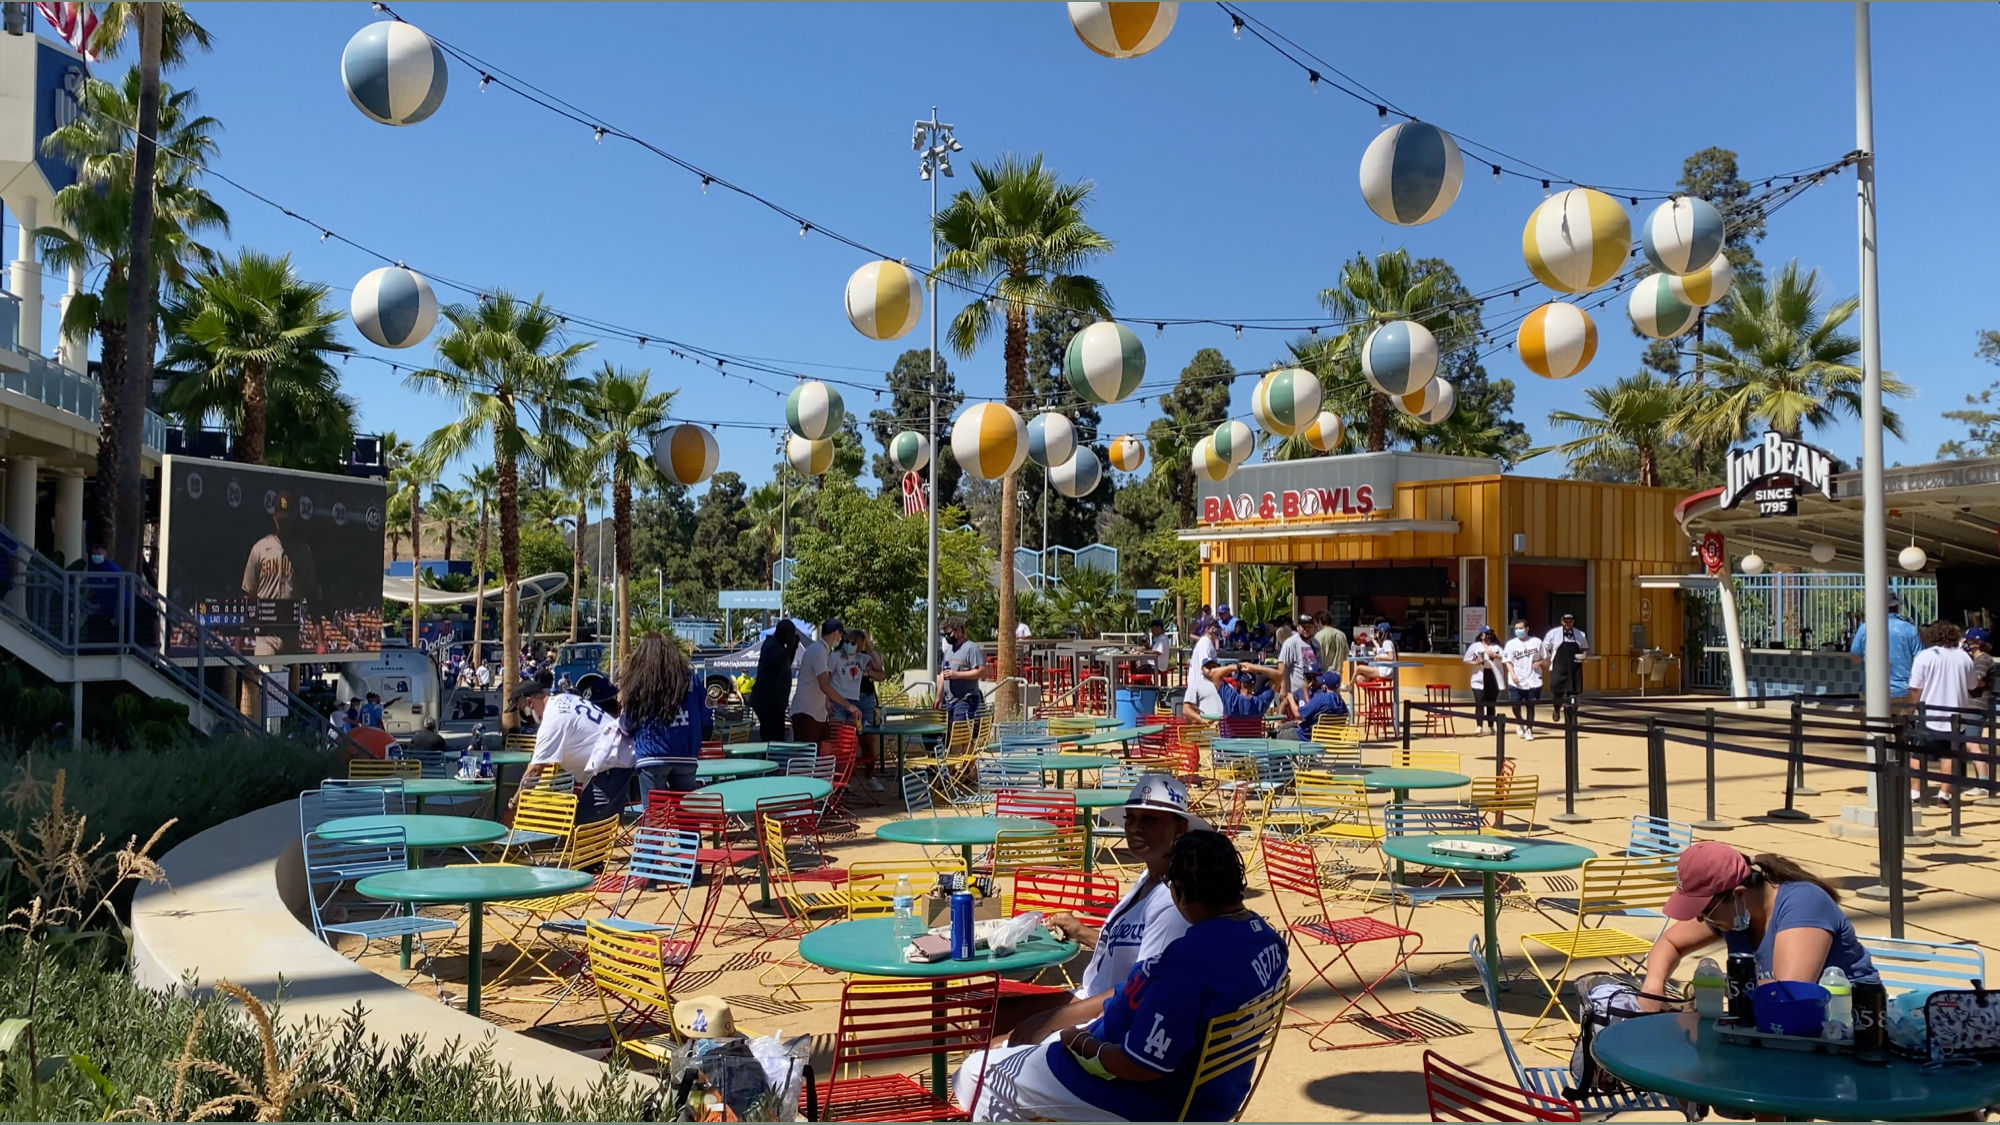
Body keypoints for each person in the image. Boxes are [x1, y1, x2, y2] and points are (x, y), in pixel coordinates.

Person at [955, 830, 1288, 1123]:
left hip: (1143, 1098)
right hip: (1216, 1093)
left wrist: (1084, 1045)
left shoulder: (1188, 968)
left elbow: (1140, 1066)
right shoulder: (1266, 940)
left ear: (1182, 895)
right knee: (1005, 1051)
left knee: (973, 1073)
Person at [996, 772, 1209, 1045]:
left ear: (1179, 829)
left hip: (1110, 1023)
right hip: (1094, 999)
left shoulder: (1171, 901)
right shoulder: (1149, 878)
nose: (1135, 828)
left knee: (984, 1056)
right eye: (1131, 818)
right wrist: (1083, 932)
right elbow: (1135, 949)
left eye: (1150, 820)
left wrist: (1051, 1020)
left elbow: (1141, 989)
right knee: (995, 1014)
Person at [1637, 841, 1877, 1012]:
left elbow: (1788, 993)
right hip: (1777, 1030)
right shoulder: (1731, 912)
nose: (1700, 919)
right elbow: (1670, 943)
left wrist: (1721, 984)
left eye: (1705, 911)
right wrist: (1654, 986)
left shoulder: (1803, 903)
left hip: (1851, 1024)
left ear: (1739, 894)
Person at [511, 678, 633, 825]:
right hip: (615, 760)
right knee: (592, 827)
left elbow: (535, 772)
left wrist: (512, 807)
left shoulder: (552, 720)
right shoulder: (565, 699)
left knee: (591, 829)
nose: (523, 717)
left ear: (530, 703)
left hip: (609, 766)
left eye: (520, 709)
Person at [622, 632, 708, 805]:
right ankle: (690, 833)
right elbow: (704, 715)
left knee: (655, 816)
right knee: (688, 815)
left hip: (651, 754)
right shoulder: (689, 677)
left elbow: (629, 722)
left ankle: (656, 832)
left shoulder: (643, 679)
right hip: (686, 752)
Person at [241, 491, 321, 657]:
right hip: (265, 635)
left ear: (294, 518)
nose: (283, 523)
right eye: (281, 518)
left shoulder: (302, 550)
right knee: (265, 680)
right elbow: (249, 597)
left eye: (287, 518)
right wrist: (239, 640)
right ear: (274, 517)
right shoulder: (260, 548)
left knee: (291, 683)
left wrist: (321, 640)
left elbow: (312, 597)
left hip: (291, 633)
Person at [1908, 619, 1974, 804]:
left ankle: (1915, 792)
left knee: (1917, 753)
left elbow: (1915, 688)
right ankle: (1944, 795)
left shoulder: (1925, 656)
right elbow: (1973, 684)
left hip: (1928, 713)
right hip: (1956, 715)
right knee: (1949, 755)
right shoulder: (1964, 658)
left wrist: (1912, 709)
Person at [791, 619, 861, 743]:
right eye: (840, 635)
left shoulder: (823, 650)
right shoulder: (819, 651)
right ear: (835, 633)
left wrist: (826, 700)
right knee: (805, 759)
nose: (840, 639)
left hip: (817, 715)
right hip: (807, 713)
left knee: (821, 757)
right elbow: (824, 685)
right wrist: (848, 706)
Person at [1850, 590, 1923, 697]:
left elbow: (1855, 658)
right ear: (1897, 607)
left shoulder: (1866, 628)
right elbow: (1920, 661)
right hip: (1903, 691)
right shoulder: (1910, 629)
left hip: (1872, 692)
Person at [1180, 659, 1288, 723]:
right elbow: (1279, 676)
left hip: (1228, 752)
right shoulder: (1261, 701)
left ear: (1239, 683)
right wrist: (1255, 668)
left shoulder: (1231, 698)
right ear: (1254, 683)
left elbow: (1214, 674)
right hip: (1254, 750)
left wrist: (1236, 667)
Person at [847, 628, 889, 788]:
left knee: (869, 739)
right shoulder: (842, 657)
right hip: (850, 699)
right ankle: (847, 777)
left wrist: (870, 647)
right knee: (849, 739)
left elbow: (881, 672)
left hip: (867, 699)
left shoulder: (865, 658)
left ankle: (870, 775)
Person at [747, 620, 800, 741]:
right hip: (768, 701)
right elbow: (779, 664)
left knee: (776, 736)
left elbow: (787, 663)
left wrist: (793, 648)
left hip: (775, 702)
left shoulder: (779, 647)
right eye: (791, 634)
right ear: (785, 634)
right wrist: (790, 647)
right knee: (773, 737)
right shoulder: (771, 645)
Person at [1501, 619, 1545, 740]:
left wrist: (1539, 662)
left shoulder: (1537, 642)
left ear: (1527, 629)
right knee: (1515, 706)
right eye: (1516, 629)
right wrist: (1513, 675)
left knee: (1531, 706)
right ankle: (1520, 723)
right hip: (1516, 681)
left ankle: (1529, 730)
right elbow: (1507, 661)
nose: (1518, 631)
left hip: (1533, 680)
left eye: (1521, 628)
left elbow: (1546, 658)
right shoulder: (1511, 644)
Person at [938, 616, 985, 723]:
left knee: (959, 734)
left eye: (949, 633)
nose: (947, 637)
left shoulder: (971, 648)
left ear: (958, 630)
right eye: (944, 634)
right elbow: (943, 673)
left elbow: (981, 671)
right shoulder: (949, 650)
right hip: (949, 701)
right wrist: (938, 697)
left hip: (965, 700)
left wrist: (956, 675)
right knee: (948, 734)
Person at [1463, 626, 1506, 733]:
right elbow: (1466, 659)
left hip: (1493, 676)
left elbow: (1505, 657)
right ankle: (1479, 726)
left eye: (1489, 634)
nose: (1488, 637)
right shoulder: (1475, 646)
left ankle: (1491, 726)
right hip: (1479, 676)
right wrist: (1475, 662)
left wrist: (1495, 655)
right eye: (1486, 634)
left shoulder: (1496, 646)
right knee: (1479, 702)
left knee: (1491, 703)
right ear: (1481, 635)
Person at [1542, 612, 1588, 710]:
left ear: (1573, 622)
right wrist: (1547, 659)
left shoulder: (1580, 634)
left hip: (1575, 668)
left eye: (1570, 621)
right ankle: (1557, 709)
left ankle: (1573, 717)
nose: (1568, 623)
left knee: (1574, 694)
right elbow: (1544, 647)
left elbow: (1585, 648)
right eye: (1566, 621)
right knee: (1557, 692)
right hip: (1558, 668)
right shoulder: (1553, 633)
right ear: (1562, 622)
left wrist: (1584, 655)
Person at [1294, 670, 1348, 741]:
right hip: (1331, 739)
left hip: (1308, 737)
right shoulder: (1342, 703)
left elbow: (1300, 714)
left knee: (1277, 734)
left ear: (1324, 686)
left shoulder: (1321, 698)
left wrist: (1304, 692)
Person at [1312, 611, 1348, 686]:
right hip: (1337, 674)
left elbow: (1315, 656)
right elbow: (1345, 655)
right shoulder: (1341, 634)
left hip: (1323, 675)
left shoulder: (1319, 635)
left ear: (1320, 621)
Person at [1186, 621, 1220, 694]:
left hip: (1202, 686)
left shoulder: (1208, 642)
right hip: (1200, 686)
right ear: (1207, 629)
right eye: (1214, 628)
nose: (1216, 630)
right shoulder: (1205, 643)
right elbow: (1206, 667)